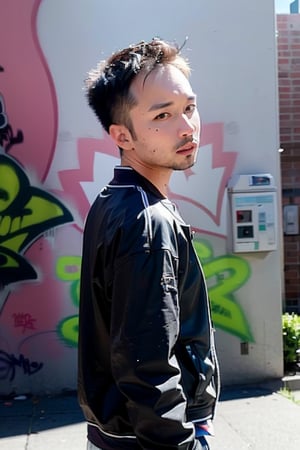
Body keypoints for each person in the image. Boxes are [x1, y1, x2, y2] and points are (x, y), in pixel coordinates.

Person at [78, 38, 220, 450]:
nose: (187, 127)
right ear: (122, 135)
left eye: (189, 108)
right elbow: (146, 366)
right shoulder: (147, 221)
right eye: (163, 115)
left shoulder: (115, 199)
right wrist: (181, 443)